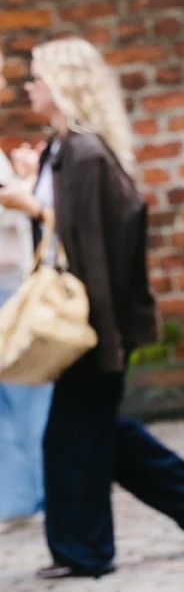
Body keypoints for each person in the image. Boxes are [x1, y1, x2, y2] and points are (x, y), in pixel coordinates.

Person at [23, 37, 184, 578]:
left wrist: (102, 332)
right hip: (91, 313)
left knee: (72, 435)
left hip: (94, 316)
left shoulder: (84, 153)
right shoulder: (67, 149)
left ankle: (86, 550)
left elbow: (90, 246)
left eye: (37, 78)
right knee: (92, 427)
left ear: (62, 85)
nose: (29, 88)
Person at [0, 104, 52, 525]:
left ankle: (24, 495)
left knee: (24, 394)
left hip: (11, 280)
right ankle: (24, 495)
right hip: (4, 282)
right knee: (26, 391)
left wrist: (23, 180)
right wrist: (30, 193)